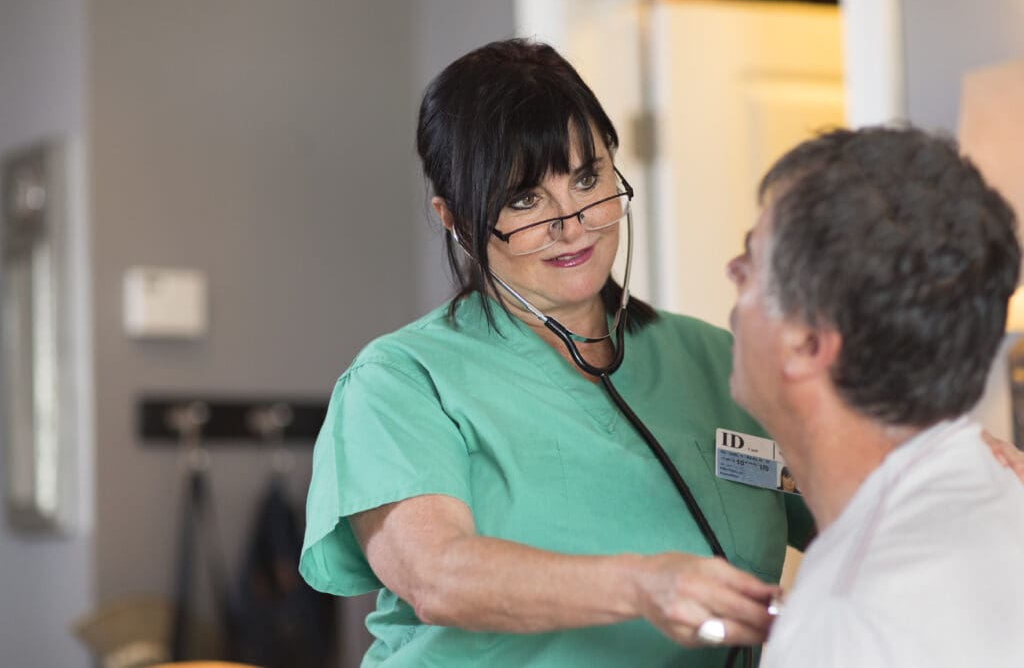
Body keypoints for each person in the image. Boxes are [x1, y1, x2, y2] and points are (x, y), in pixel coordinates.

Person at [299, 38, 810, 667]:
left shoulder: (718, 361)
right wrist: (641, 585)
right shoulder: (403, 382)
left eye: (587, 178)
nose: (571, 222)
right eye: (523, 198)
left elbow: (861, 506)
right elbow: (437, 576)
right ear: (455, 218)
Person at [725, 126, 1024, 667]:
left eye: (749, 263)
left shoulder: (850, 618)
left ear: (807, 343)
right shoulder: (1004, 493)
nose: (731, 274)